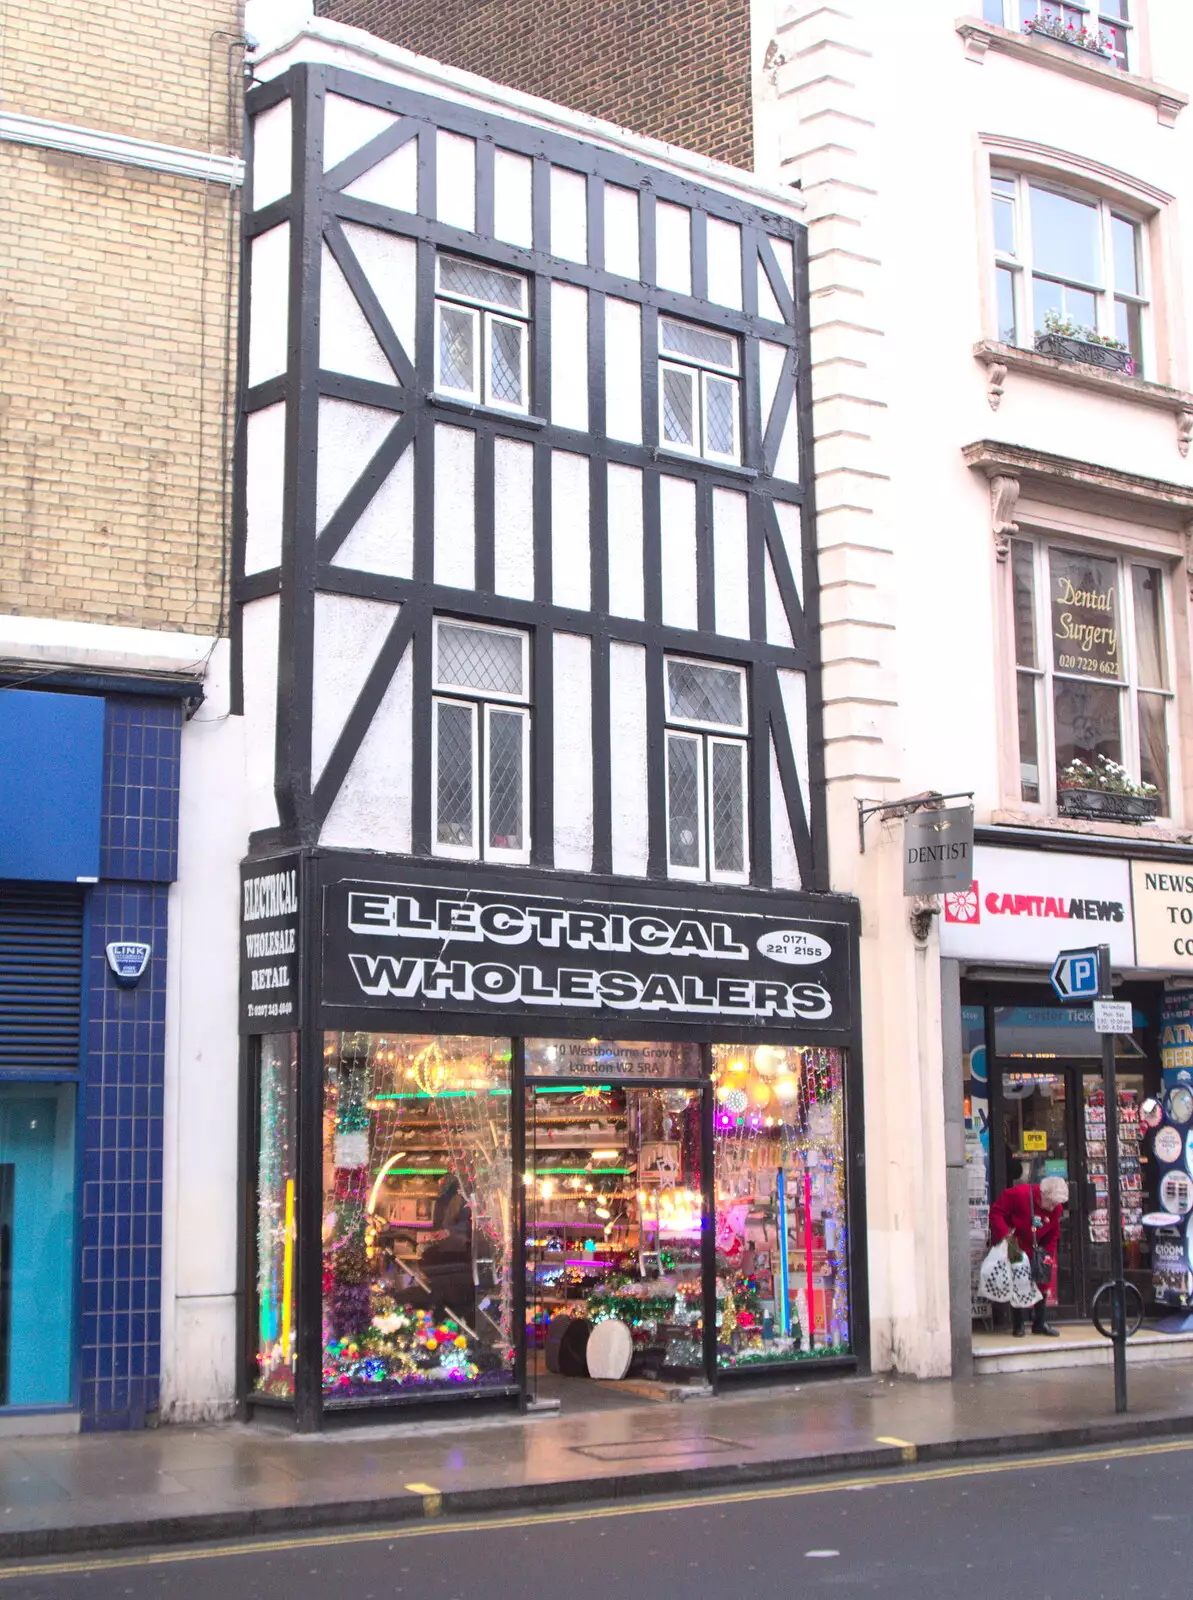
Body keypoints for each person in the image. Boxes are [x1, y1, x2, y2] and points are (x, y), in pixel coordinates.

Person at [989, 1175, 1068, 1336]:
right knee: (1018, 1279)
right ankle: (1018, 1324)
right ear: (1043, 1195)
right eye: (1051, 1203)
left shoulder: (1056, 1208)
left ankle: (1039, 1322)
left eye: (1057, 1204)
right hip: (1014, 1242)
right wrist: (1005, 1237)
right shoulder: (1019, 1194)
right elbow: (996, 1212)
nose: (1053, 1207)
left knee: (1042, 1282)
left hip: (1038, 1246)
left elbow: (1054, 1232)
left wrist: (1048, 1254)